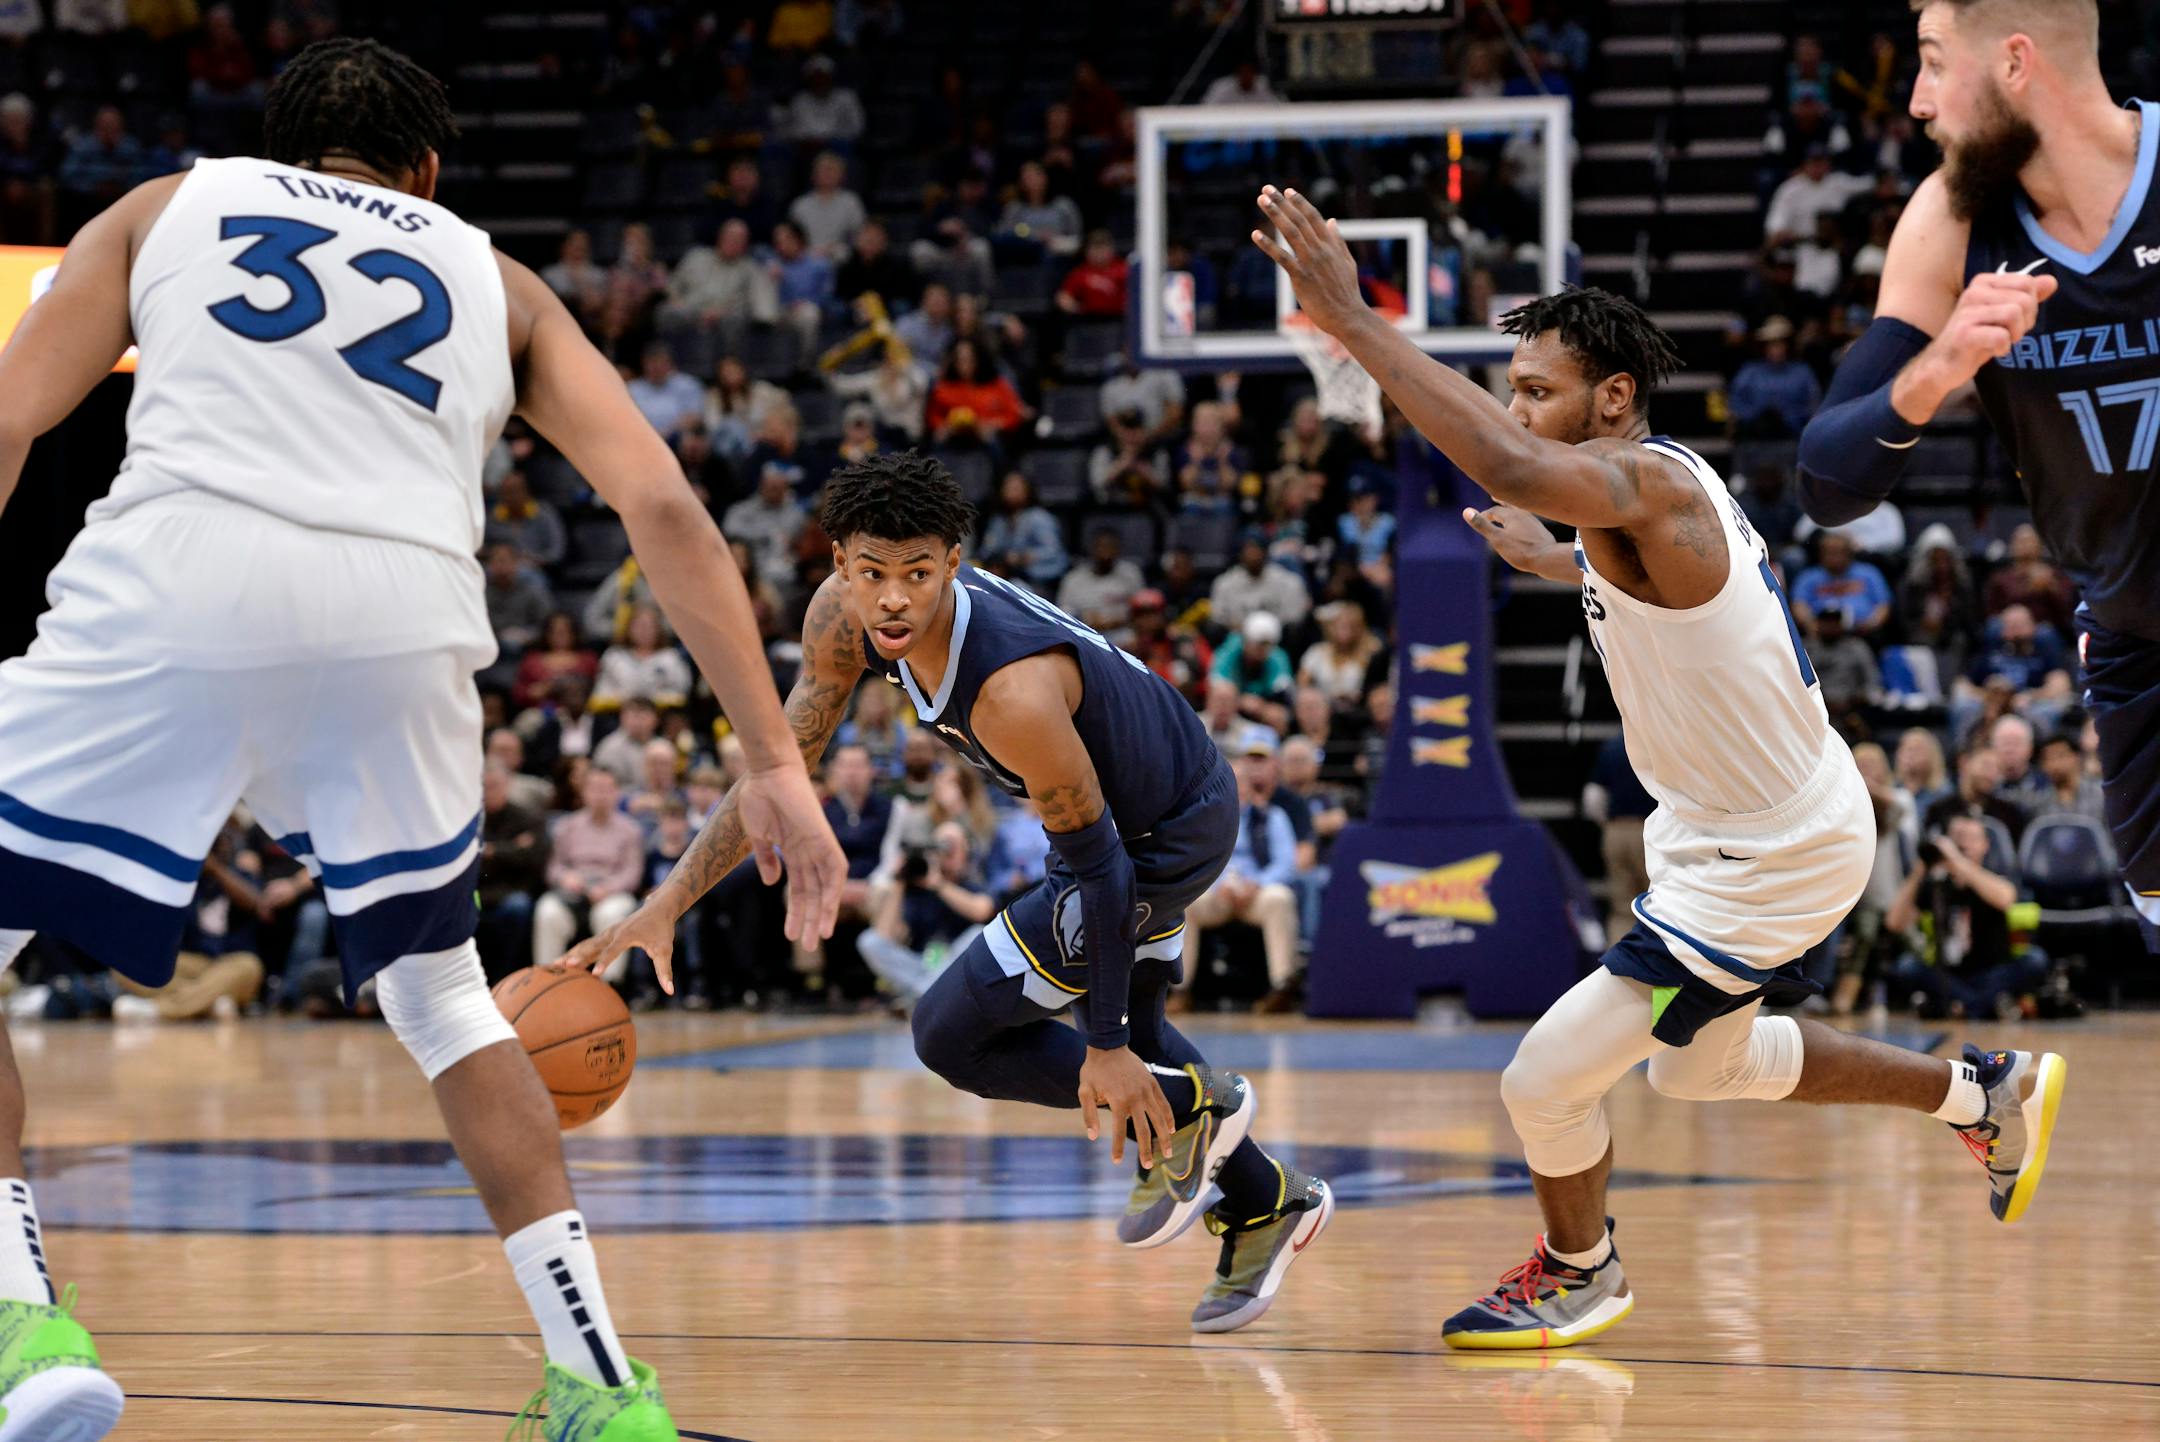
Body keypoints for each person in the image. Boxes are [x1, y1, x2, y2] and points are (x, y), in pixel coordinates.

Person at [0, 37, 845, 1441]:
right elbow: (668, 511)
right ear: (431, 173)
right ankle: (598, 1391)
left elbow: (14, 413)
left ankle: (22, 1324)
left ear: (269, 156)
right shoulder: (497, 280)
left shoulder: (164, 207)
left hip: (183, 573)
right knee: (448, 999)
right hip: (403, 612)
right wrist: (773, 761)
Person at [1259, 193, 2065, 1352]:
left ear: (1615, 397)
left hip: (1773, 847)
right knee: (1701, 1070)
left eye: (1540, 390)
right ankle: (1984, 1092)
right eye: (1520, 388)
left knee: (1542, 1081)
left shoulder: (1654, 486)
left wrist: (1354, 321)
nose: (1523, 411)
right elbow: (1648, 591)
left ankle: (1580, 1270)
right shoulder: (1633, 508)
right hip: (1740, 824)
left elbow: (1499, 456)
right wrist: (1555, 562)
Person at [562, 452, 1335, 1333]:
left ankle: (1199, 1102)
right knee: (1141, 1027)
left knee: (954, 1034)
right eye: (873, 574)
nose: (894, 599)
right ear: (838, 567)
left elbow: (1106, 872)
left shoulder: (1009, 692)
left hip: (1160, 833)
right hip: (1115, 806)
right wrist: (667, 902)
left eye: (919, 575)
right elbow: (774, 772)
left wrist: (1109, 1047)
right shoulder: (839, 624)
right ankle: (1269, 1200)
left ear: (953, 567)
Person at [1795, 0, 2160, 948]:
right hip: (2135, 649)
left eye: (1929, 62)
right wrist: (1936, 371)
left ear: (2013, 62)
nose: (1914, 102)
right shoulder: (1952, 220)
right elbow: (1827, 481)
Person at [1178, 729, 1305, 1014]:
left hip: (1255, 892)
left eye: (1241, 784)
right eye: (1228, 784)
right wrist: (1219, 884)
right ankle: (1179, 990)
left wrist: (1256, 884)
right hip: (1216, 891)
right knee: (1184, 905)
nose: (1236, 790)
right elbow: (1194, 860)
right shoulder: (1206, 818)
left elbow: (1287, 864)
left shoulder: (1273, 817)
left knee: (1280, 898)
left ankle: (1282, 987)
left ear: (1250, 788)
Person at [1888, 815, 2045, 1019]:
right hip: (1950, 975)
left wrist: (1959, 862)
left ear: (1985, 845)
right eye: (1959, 837)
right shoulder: (1936, 884)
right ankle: (1983, 1006)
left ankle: (1960, 1006)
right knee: (1907, 967)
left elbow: (2005, 899)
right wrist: (1920, 869)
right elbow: (1894, 923)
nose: (1964, 843)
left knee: (2034, 960)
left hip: (1992, 971)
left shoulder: (1994, 874)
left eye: (1972, 838)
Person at [533, 767, 646, 973]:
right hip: (572, 892)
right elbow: (553, 867)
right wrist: (565, 877)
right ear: (584, 792)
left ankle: (609, 983)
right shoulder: (566, 826)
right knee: (547, 911)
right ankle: (546, 977)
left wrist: (608, 888)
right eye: (595, 789)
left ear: (617, 793)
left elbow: (632, 873)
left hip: (611, 893)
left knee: (611, 914)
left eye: (606, 789)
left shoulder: (630, 829)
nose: (600, 795)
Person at [1582, 731, 1657, 947]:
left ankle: (1618, 971)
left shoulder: (1612, 746)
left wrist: (1609, 826)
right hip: (1651, 831)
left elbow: (1592, 798)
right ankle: (1663, 972)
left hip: (1615, 831)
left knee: (1622, 909)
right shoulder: (1658, 742)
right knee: (1660, 906)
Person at [478, 763, 548, 983]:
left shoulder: (527, 818)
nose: (489, 792)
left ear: (507, 785)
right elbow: (467, 861)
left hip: (511, 892)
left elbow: (533, 860)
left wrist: (490, 851)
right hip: (477, 895)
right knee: (453, 908)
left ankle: (506, 978)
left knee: (517, 907)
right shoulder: (469, 820)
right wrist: (512, 848)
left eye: (494, 786)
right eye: (484, 787)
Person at [2035, 729, 2107, 821]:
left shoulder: (2101, 796)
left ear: (2077, 757)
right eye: (2047, 759)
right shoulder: (2040, 803)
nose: (2054, 764)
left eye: (2060, 756)